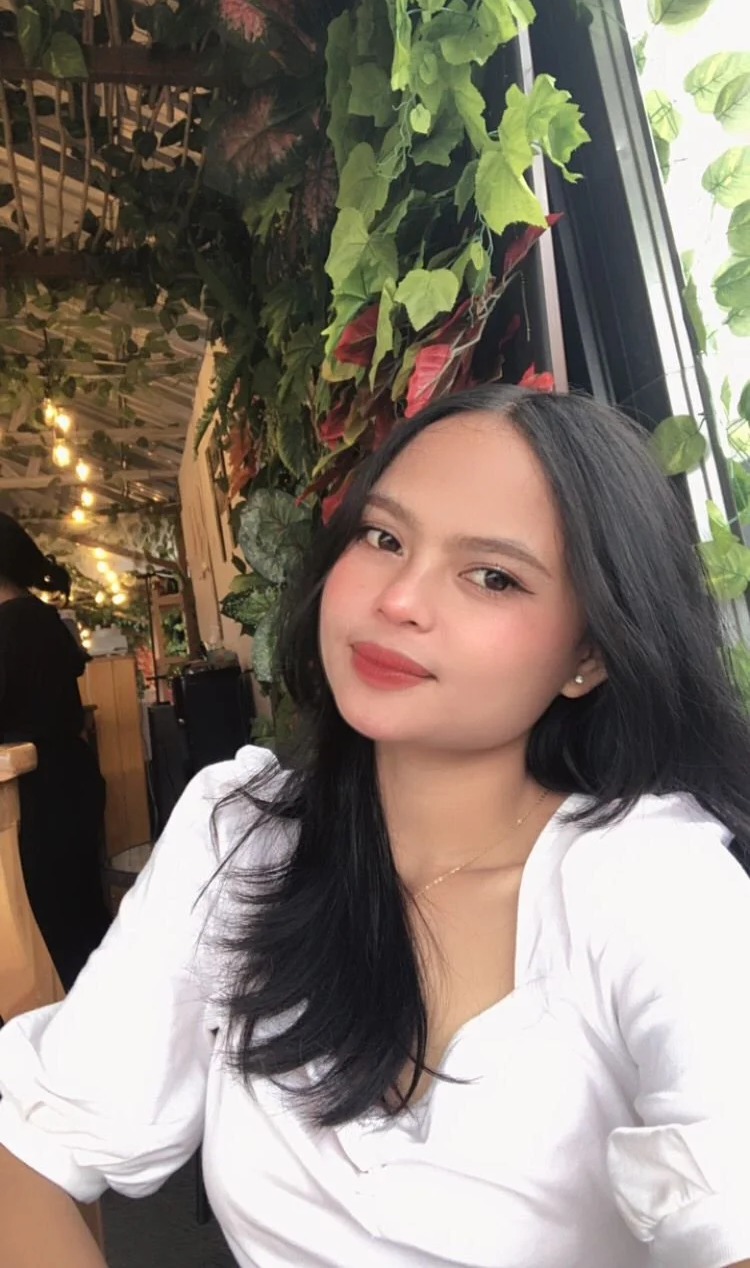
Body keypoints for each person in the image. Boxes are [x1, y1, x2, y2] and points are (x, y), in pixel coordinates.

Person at [1, 386, 750, 1268]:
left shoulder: (657, 884)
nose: (398, 599)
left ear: (589, 653)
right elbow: (33, 1146)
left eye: (493, 575)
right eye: (384, 537)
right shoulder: (238, 836)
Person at [0, 515, 110, 991]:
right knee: (81, 922)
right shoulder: (39, 617)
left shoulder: (12, 626)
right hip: (67, 779)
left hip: (35, 797)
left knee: (55, 933)